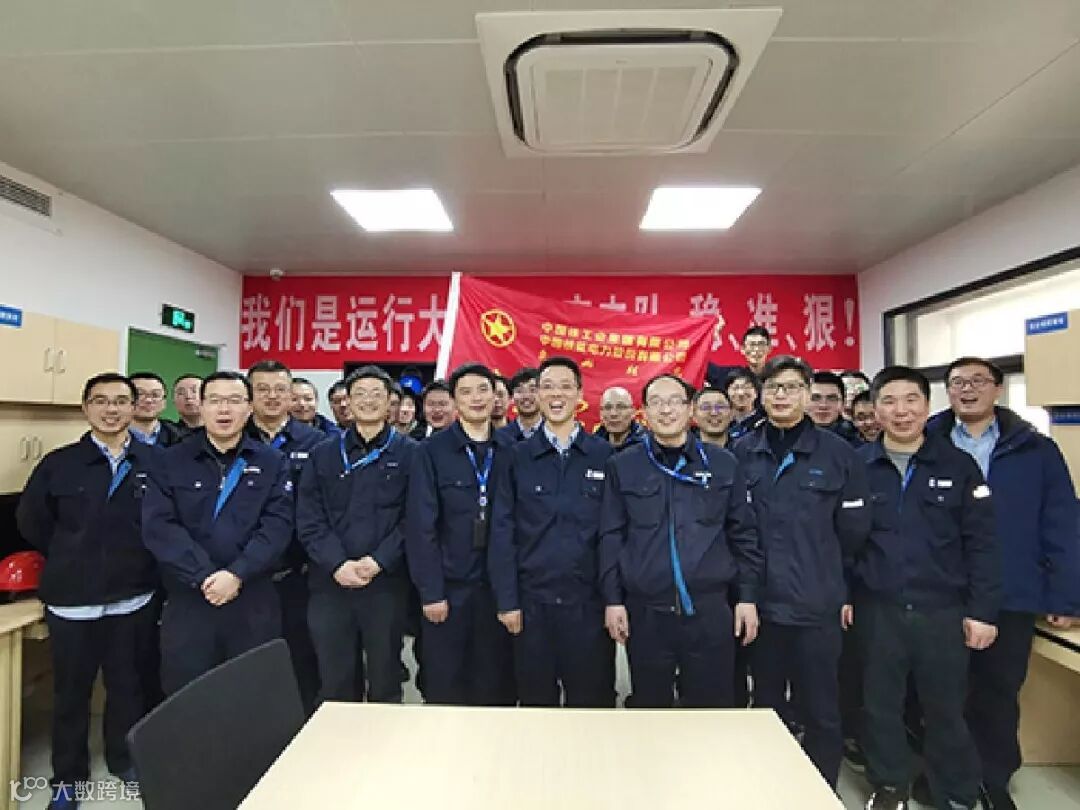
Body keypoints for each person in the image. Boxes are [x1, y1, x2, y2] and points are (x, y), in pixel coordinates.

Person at [926, 357, 1079, 810]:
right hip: (941, 592)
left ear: (998, 388)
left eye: (978, 381)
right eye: (957, 382)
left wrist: (1067, 596)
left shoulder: (1035, 449)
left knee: (998, 692)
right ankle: (947, 782)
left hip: (1011, 592)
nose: (967, 389)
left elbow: (1061, 525)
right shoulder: (928, 442)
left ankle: (993, 780)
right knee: (940, 695)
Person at [855, 366, 1000, 810]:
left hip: (942, 611)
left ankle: (953, 792)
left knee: (946, 708)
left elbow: (983, 544)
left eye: (911, 400)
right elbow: (841, 542)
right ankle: (890, 784)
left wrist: (983, 611)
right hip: (878, 608)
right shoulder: (857, 466)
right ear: (875, 409)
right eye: (889, 401)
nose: (901, 411)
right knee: (879, 705)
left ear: (927, 406)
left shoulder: (958, 466)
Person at [17, 373, 160, 809]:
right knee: (70, 694)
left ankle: (124, 761)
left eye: (120, 401)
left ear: (134, 407)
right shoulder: (60, 463)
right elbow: (32, 520)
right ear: (86, 408)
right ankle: (68, 778)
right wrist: (72, 554)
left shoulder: (156, 463)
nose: (111, 409)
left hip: (133, 596)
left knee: (127, 688)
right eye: (100, 401)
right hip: (72, 601)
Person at [731, 356, 871, 787]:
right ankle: (770, 787)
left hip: (817, 605)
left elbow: (854, 532)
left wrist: (839, 587)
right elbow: (736, 531)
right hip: (761, 607)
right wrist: (745, 594)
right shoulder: (741, 452)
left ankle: (820, 789)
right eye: (773, 387)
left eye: (791, 387)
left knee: (821, 708)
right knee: (766, 705)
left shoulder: (839, 454)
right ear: (761, 394)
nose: (781, 396)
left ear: (808, 395)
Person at [599, 373, 763, 708]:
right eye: (657, 402)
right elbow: (612, 536)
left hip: (710, 610)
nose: (666, 410)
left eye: (675, 401)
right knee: (650, 708)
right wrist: (613, 600)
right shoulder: (623, 465)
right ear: (644, 411)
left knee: (711, 710)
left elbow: (743, 534)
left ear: (690, 409)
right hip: (646, 613)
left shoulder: (723, 463)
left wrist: (747, 597)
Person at [143, 371, 293, 694]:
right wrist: (205, 576)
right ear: (201, 406)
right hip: (190, 597)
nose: (224, 409)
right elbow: (160, 527)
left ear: (249, 407)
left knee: (252, 693)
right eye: (215, 400)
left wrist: (237, 574)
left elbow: (277, 525)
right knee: (188, 696)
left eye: (234, 400)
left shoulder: (272, 461)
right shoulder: (169, 461)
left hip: (252, 597)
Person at [489, 357, 616, 707]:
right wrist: (507, 601)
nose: (556, 395)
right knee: (536, 703)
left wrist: (614, 600)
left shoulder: (604, 455)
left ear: (580, 394)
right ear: (537, 395)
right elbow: (502, 531)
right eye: (547, 387)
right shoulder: (516, 457)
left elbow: (613, 534)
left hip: (588, 606)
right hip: (532, 605)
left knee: (592, 704)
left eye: (565, 387)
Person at [298, 366, 416, 704]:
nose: (367, 401)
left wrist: (379, 560)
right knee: (335, 682)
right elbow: (309, 517)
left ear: (391, 402)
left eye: (376, 394)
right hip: (330, 583)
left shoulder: (411, 453)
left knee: (385, 680)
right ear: (346, 402)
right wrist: (337, 564)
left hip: (386, 585)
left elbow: (415, 518)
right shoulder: (323, 453)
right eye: (359, 394)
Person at [406, 363, 515, 705]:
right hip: (449, 591)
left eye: (483, 390)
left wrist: (510, 597)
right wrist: (431, 592)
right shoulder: (430, 452)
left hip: (496, 591)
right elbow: (420, 526)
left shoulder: (512, 451)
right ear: (454, 401)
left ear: (496, 397)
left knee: (495, 685)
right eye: (466, 392)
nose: (476, 398)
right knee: (444, 684)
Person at [246, 360, 325, 712]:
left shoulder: (317, 443)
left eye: (280, 389)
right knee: (250, 664)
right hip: (247, 575)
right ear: (249, 395)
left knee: (303, 660)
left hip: (299, 574)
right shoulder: (235, 438)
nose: (272, 396)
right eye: (262, 389)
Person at [706, 325, 773, 390]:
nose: (756, 349)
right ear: (742, 349)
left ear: (769, 348)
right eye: (752, 344)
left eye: (761, 344)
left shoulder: (776, 377)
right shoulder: (729, 375)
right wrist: (710, 337)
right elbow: (702, 364)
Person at [128, 372, 183, 447]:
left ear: (164, 402)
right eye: (139, 394)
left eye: (155, 395)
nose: (148, 400)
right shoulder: (113, 434)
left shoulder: (181, 438)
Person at [810, 371, 861, 447]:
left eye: (832, 399)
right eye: (815, 398)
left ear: (843, 403)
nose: (823, 405)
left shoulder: (859, 442)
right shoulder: (791, 439)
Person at [498, 367, 542, 442]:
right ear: (512, 397)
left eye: (532, 390)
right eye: (519, 391)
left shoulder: (555, 432)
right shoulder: (500, 437)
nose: (526, 396)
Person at [595, 386, 645, 450]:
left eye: (620, 407)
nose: (613, 414)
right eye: (607, 407)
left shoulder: (648, 446)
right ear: (601, 413)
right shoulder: (592, 445)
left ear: (633, 412)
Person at [726, 369, 766, 443]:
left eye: (746, 387)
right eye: (735, 388)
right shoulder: (723, 424)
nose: (741, 393)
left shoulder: (764, 424)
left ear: (756, 393)